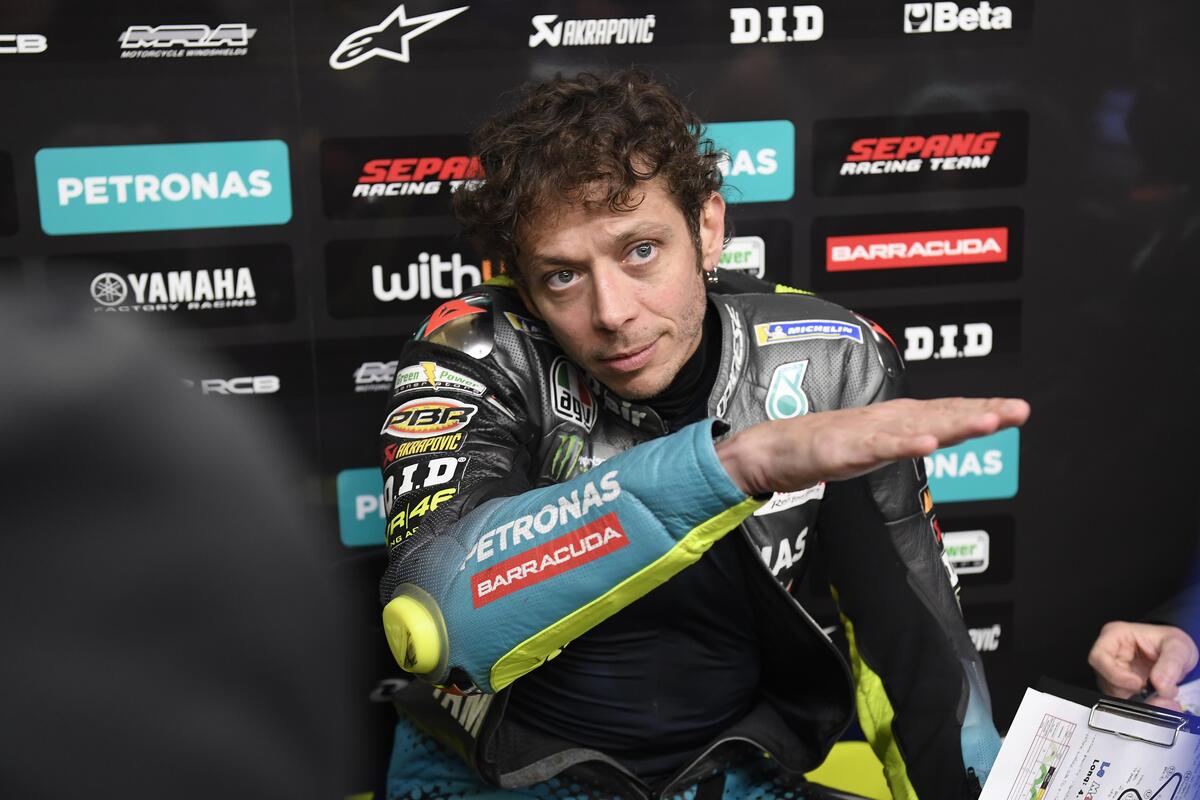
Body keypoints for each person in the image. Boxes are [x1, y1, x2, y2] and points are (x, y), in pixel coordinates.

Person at [376, 69, 1029, 800]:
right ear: (522, 286)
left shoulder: (829, 359)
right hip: (492, 776)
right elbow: (435, 620)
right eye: (562, 276)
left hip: (726, 773)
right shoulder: (476, 349)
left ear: (707, 228)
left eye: (640, 251)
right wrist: (731, 468)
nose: (613, 312)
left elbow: (916, 653)